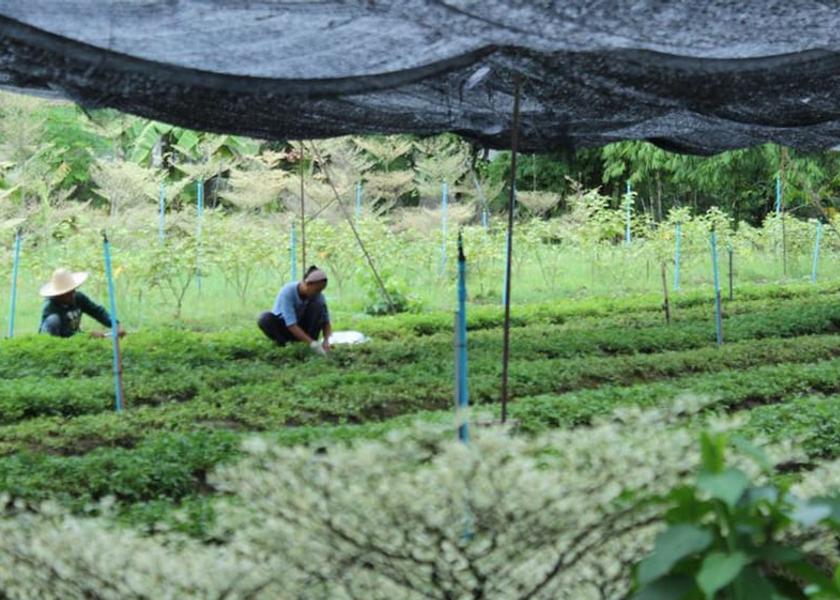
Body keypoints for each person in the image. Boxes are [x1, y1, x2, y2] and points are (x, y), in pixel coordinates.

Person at [258, 266, 332, 355]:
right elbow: (291, 324)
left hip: (305, 329)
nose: (318, 293)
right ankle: (285, 345)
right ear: (307, 284)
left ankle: (307, 343)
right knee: (264, 318)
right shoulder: (288, 291)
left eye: (321, 290)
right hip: (286, 328)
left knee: (318, 304)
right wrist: (313, 344)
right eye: (317, 290)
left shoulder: (318, 297)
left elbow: (325, 322)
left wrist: (326, 340)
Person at [38, 268, 125, 339]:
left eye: (72, 291)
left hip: (75, 338)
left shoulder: (78, 298)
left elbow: (97, 311)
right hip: (59, 343)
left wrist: (115, 324)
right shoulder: (51, 310)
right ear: (58, 295)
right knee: (53, 321)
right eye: (66, 293)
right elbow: (65, 335)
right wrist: (88, 336)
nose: (71, 295)